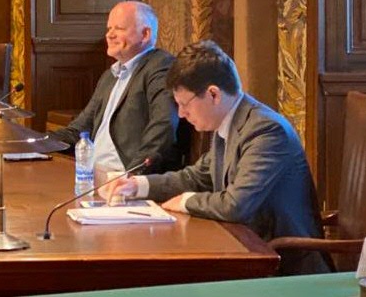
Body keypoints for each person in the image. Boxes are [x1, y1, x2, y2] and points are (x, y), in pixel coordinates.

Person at [106, 40, 331, 275]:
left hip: (282, 265)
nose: (181, 114)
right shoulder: (228, 124)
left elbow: (236, 205)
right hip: (244, 250)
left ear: (213, 94)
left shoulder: (265, 131)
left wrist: (185, 201)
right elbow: (196, 177)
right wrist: (137, 185)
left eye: (184, 104)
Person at [50, 1, 182, 174]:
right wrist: (31, 143)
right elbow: (78, 131)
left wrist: (132, 177)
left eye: (119, 28)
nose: (109, 35)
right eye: (109, 29)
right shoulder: (109, 76)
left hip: (124, 176)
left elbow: (163, 126)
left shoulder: (161, 66)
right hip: (90, 172)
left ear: (145, 34)